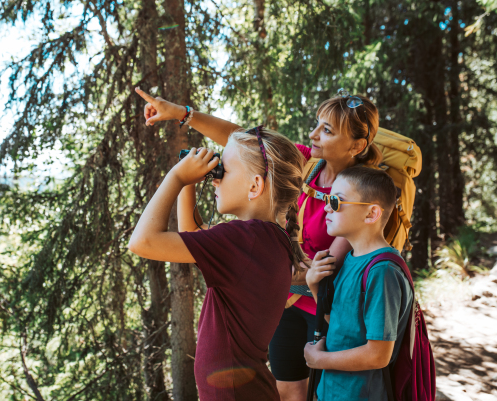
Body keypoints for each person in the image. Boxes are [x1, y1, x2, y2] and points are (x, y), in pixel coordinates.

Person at [135, 87, 382, 401]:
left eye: (327, 129)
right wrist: (183, 115)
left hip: (322, 305)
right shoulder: (303, 165)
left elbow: (143, 241)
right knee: (288, 388)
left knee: (323, 392)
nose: (314, 133)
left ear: (357, 145)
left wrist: (177, 177)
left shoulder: (356, 190)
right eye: (317, 124)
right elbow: (245, 142)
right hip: (284, 300)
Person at [128, 121, 309, 400]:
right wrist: (189, 184)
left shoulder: (246, 239)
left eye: (223, 170)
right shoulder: (265, 239)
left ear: (254, 185)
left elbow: (142, 242)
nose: (214, 178)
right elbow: (191, 238)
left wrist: (177, 177)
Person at [304, 166, 413, 401]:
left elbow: (378, 355)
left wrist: (319, 360)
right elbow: (346, 325)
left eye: (336, 201)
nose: (326, 207)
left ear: (371, 214)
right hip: (332, 391)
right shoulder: (352, 259)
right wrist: (314, 286)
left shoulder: (382, 271)